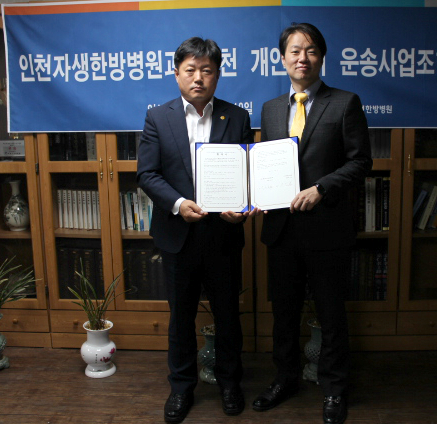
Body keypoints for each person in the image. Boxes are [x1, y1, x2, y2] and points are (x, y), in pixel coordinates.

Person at [251, 23, 372, 424]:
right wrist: (255, 195)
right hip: (281, 229)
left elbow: (361, 162)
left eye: (311, 50)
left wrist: (322, 188)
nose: (302, 58)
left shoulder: (345, 102)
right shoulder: (270, 109)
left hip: (327, 228)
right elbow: (266, 164)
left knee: (331, 314)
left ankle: (334, 389)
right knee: (284, 314)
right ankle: (284, 379)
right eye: (294, 51)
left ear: (321, 57)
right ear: (282, 58)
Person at [137, 37, 254, 423]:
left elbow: (247, 175)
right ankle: (181, 388)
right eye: (190, 70)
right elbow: (147, 173)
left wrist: (241, 209)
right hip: (178, 235)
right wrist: (177, 204)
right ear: (177, 74)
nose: (198, 78)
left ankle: (230, 383)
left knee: (228, 315)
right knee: (181, 318)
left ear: (217, 75)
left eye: (207, 70)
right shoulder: (158, 117)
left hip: (223, 235)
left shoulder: (236, 117)